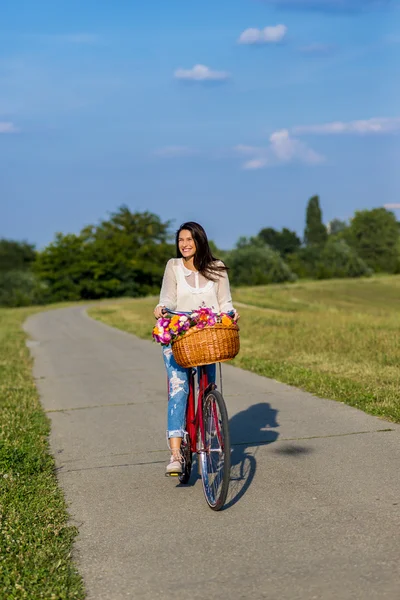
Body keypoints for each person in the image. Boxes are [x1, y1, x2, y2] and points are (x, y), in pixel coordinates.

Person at [154, 221, 239, 476]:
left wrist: (232, 315)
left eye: (189, 239)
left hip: (206, 337)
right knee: (179, 389)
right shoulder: (174, 266)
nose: (185, 244)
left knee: (207, 388)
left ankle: (207, 434)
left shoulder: (217, 268)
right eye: (181, 240)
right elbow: (168, 297)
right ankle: (176, 454)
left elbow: (225, 303)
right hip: (179, 336)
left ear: (200, 241)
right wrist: (162, 308)